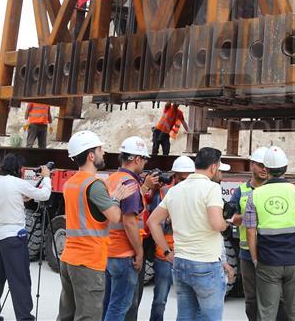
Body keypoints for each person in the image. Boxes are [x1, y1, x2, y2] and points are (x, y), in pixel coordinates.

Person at [57, 131, 134, 321]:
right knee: (88, 316)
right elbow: (115, 217)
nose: (103, 152)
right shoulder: (95, 185)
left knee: (66, 315)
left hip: (69, 259)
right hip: (88, 261)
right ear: (91, 155)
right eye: (100, 149)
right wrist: (116, 198)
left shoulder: (71, 183)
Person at [244, 147, 295, 321]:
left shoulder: (255, 195)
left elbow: (250, 232)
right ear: (286, 168)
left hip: (268, 262)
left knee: (266, 312)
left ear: (266, 168)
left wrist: (254, 259)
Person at [147, 147, 231, 321]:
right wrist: (228, 223)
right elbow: (217, 224)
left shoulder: (176, 190)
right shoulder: (211, 188)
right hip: (206, 264)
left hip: (181, 263)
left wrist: (167, 251)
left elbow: (152, 222)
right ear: (214, 168)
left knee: (185, 317)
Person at [0, 154, 52, 321]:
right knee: (19, 279)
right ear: (17, 169)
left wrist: (20, 198)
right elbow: (44, 195)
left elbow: (5, 201)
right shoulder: (16, 183)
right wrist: (47, 178)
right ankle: (24, 317)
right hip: (13, 237)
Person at [103, 136, 156, 321]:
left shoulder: (112, 179)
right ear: (136, 159)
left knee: (108, 304)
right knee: (120, 307)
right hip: (124, 254)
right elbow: (129, 221)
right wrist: (139, 252)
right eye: (144, 159)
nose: (144, 163)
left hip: (108, 251)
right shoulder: (131, 183)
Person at [147, 155, 195, 321]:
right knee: (160, 299)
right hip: (165, 253)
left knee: (186, 301)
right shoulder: (164, 192)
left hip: (187, 253)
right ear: (174, 176)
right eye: (183, 177)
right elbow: (154, 223)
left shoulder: (196, 192)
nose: (186, 181)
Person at [228, 147, 273, 321]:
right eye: (261, 165)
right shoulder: (240, 191)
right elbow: (231, 217)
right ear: (252, 165)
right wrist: (248, 216)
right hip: (247, 253)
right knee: (252, 298)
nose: (264, 169)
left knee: (272, 297)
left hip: (271, 251)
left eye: (267, 166)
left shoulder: (273, 189)